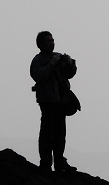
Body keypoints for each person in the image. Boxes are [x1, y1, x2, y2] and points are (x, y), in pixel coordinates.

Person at [30, 31, 77, 172]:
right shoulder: (38, 60)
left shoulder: (57, 57)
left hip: (60, 100)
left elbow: (69, 74)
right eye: (48, 41)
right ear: (40, 45)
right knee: (47, 132)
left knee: (60, 132)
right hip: (47, 100)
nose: (52, 43)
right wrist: (52, 64)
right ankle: (45, 163)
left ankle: (59, 161)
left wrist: (70, 63)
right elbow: (38, 75)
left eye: (52, 40)